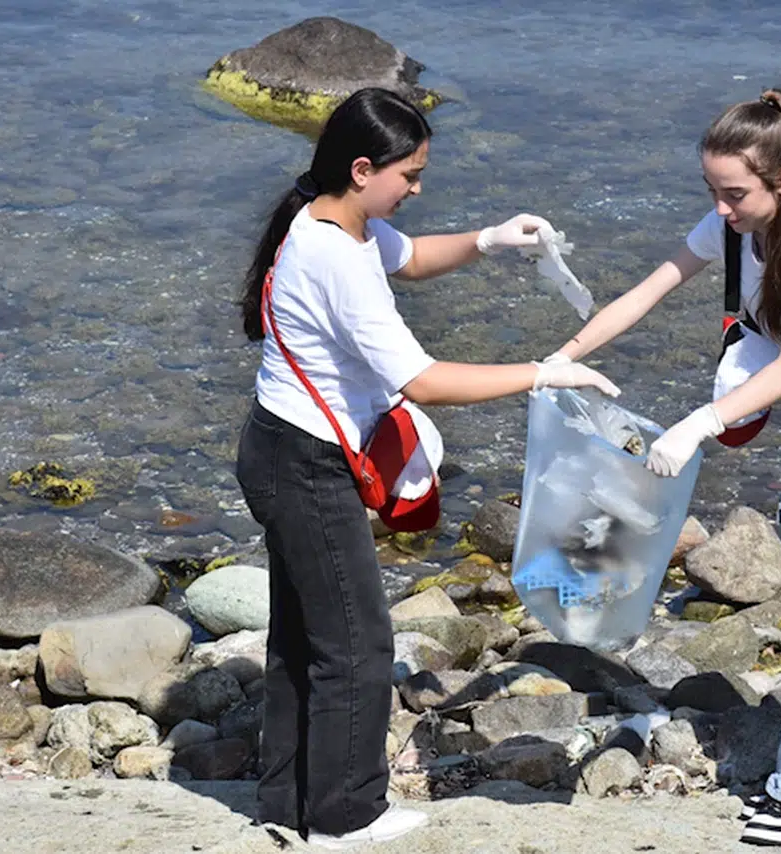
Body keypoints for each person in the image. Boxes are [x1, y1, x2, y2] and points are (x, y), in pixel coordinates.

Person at [235, 87, 619, 850]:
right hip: (306, 465)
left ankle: (286, 802)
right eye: (409, 175)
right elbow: (425, 381)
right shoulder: (334, 257)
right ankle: (344, 818)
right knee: (359, 642)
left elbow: (408, 259)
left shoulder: (334, 222)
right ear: (361, 168)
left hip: (278, 448)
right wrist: (542, 372)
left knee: (302, 636)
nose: (417, 189)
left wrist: (491, 240)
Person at [547, 88, 781, 846]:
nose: (720, 208)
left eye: (734, 193)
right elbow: (646, 292)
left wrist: (697, 425)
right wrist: (562, 359)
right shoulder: (732, 230)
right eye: (711, 191)